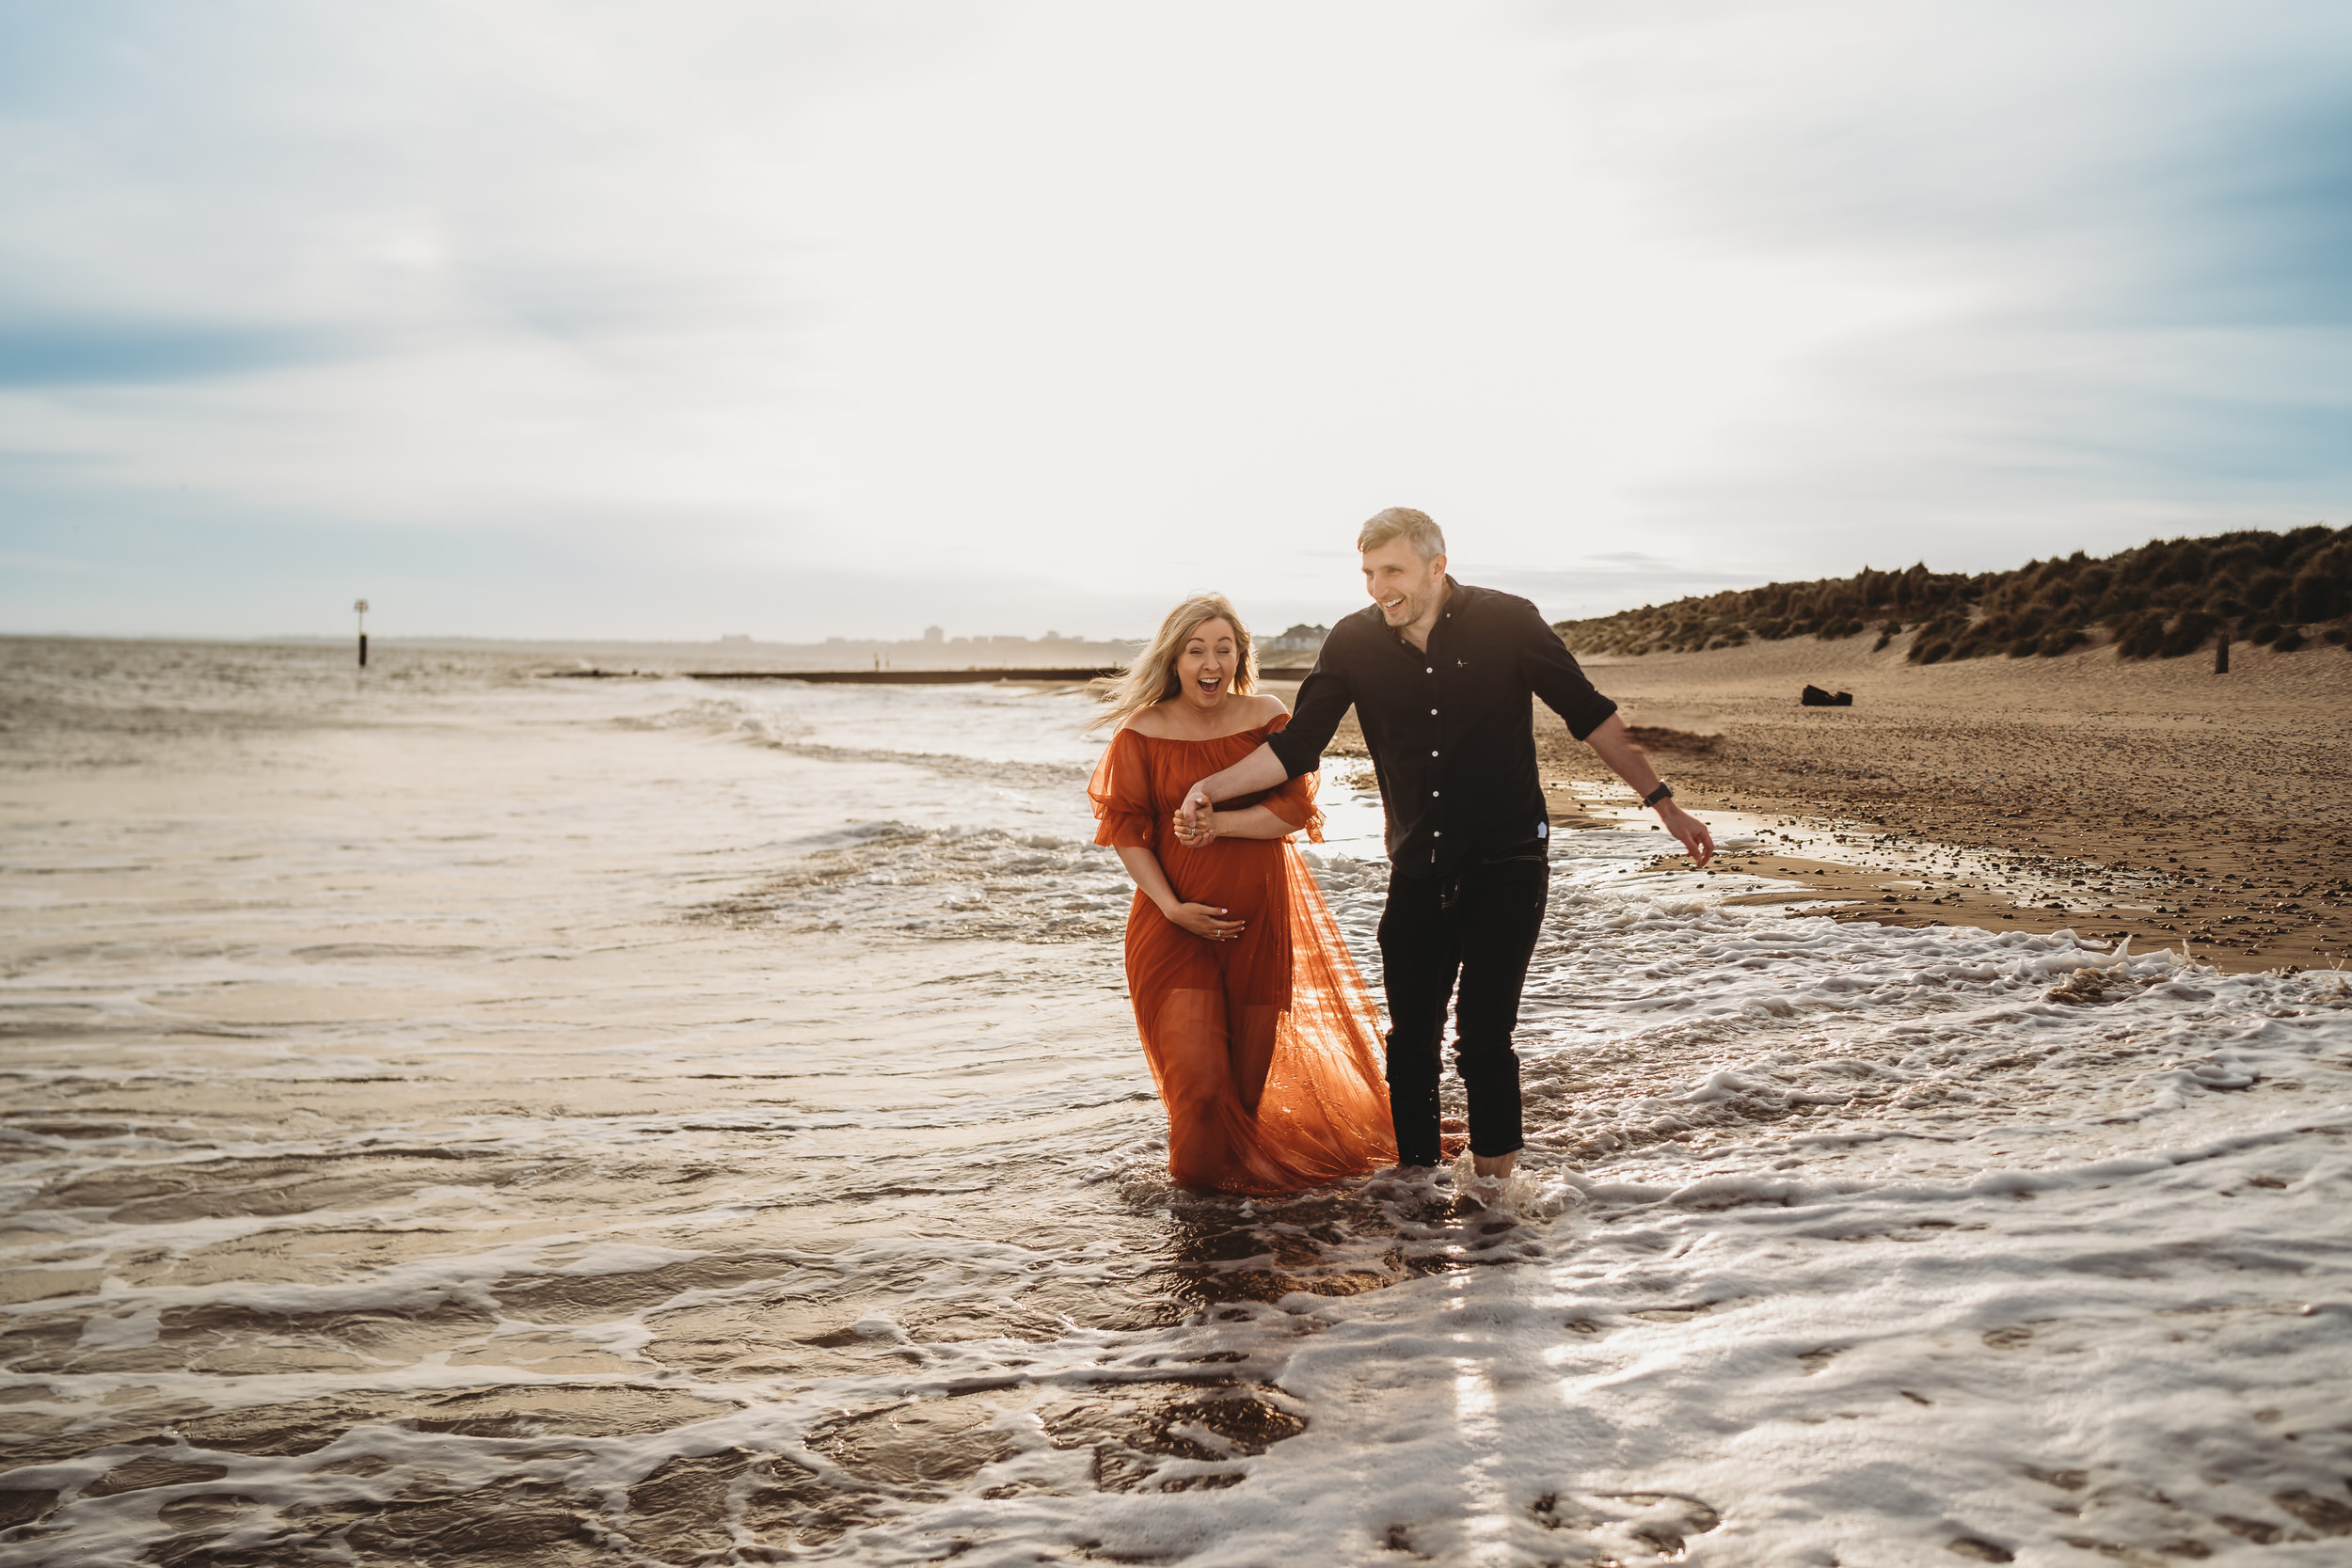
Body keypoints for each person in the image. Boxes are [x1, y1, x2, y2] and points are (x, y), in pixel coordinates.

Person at [1176, 508, 1714, 1186]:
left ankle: (1498, 1206)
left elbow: (1589, 712)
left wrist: (1662, 801)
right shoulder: (1351, 643)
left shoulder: (1509, 621)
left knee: (1484, 1036)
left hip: (1508, 857)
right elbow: (1295, 748)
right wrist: (1209, 788)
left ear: (1438, 565)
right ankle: (1417, 1196)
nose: (1378, 588)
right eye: (1369, 573)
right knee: (1410, 1045)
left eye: (1392, 571)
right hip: (1417, 867)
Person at [1087, 594, 1397, 1194]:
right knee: (1201, 1092)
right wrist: (1173, 908)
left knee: (1245, 1100)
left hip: (1262, 929)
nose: (1211, 660)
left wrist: (1218, 823)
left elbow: (1292, 811)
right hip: (1172, 930)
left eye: (1224, 648)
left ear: (1240, 656)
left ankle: (1241, 1246)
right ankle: (1194, 1244)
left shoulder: (1268, 718)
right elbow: (1125, 828)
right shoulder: (1142, 731)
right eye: (1196, 648)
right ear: (1174, 658)